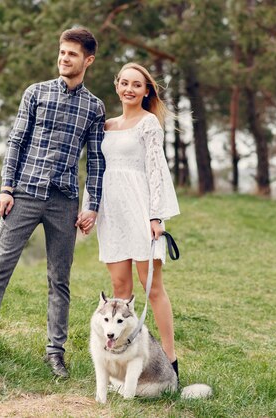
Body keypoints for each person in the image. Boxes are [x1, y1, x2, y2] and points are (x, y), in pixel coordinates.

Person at [0, 27, 106, 379]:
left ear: (88, 60)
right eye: (62, 51)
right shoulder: (35, 94)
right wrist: (6, 187)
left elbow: (96, 161)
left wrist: (92, 205)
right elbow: (16, 142)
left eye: (72, 53)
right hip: (22, 193)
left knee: (59, 279)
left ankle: (55, 352)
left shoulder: (94, 107)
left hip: (64, 201)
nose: (64, 58)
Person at [79, 62, 181, 375]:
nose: (129, 89)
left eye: (136, 85)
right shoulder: (106, 126)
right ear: (116, 85)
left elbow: (156, 170)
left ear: (146, 90)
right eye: (124, 83)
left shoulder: (149, 123)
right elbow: (97, 170)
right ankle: (121, 361)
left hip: (140, 210)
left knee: (152, 288)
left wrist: (156, 216)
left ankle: (169, 359)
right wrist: (89, 207)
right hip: (112, 213)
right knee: (119, 287)